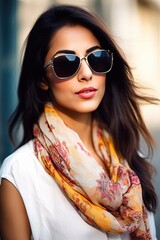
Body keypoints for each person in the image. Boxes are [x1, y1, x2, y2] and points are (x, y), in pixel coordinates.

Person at [0, 4, 158, 240]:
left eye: (97, 58)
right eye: (66, 63)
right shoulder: (20, 173)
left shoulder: (128, 155)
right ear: (43, 79)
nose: (86, 73)